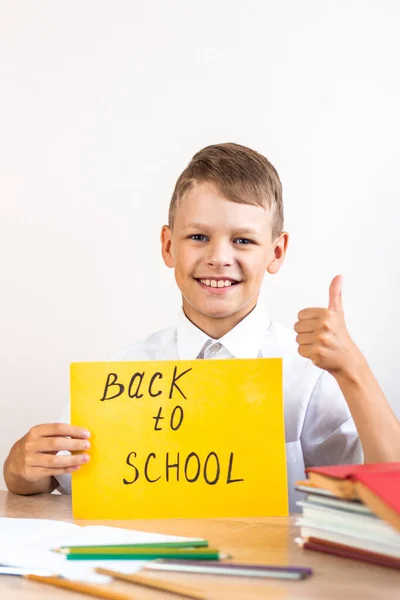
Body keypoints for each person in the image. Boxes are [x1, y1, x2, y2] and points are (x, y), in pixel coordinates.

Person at [4, 143, 398, 511]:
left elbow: (390, 487)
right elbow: (46, 480)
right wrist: (22, 465)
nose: (219, 258)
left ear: (275, 253)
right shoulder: (122, 375)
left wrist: (353, 369)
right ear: (168, 246)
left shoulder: (312, 376)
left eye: (243, 240)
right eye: (198, 236)